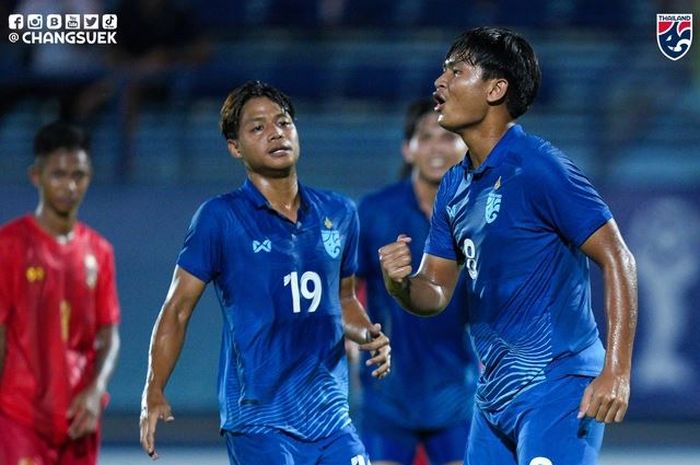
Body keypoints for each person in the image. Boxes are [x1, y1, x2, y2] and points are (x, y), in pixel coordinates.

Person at [379, 27, 637, 465]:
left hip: (560, 382)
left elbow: (618, 258)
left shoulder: (538, 167)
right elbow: (435, 293)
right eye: (442, 71)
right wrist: (401, 284)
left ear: (496, 89)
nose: (439, 83)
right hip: (494, 397)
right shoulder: (454, 187)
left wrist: (617, 369)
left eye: (455, 71)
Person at [139, 80, 391, 464]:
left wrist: (370, 334)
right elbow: (177, 309)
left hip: (331, 418)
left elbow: (341, 300)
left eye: (283, 122)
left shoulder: (340, 212)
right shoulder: (219, 218)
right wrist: (153, 389)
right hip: (260, 421)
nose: (275, 133)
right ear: (235, 147)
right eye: (257, 127)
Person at [356, 99, 478, 465]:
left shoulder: (481, 214)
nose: (437, 148)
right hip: (387, 396)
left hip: (457, 392)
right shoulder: (375, 212)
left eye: (447, 137)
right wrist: (356, 337)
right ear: (408, 148)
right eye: (425, 137)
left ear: (464, 147)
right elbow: (344, 290)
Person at [0, 122, 121, 465]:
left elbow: (108, 335)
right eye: (58, 174)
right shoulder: (9, 246)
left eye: (78, 175)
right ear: (35, 176)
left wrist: (96, 389)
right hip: (20, 416)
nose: (69, 185)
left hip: (79, 420)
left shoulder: (100, 252)